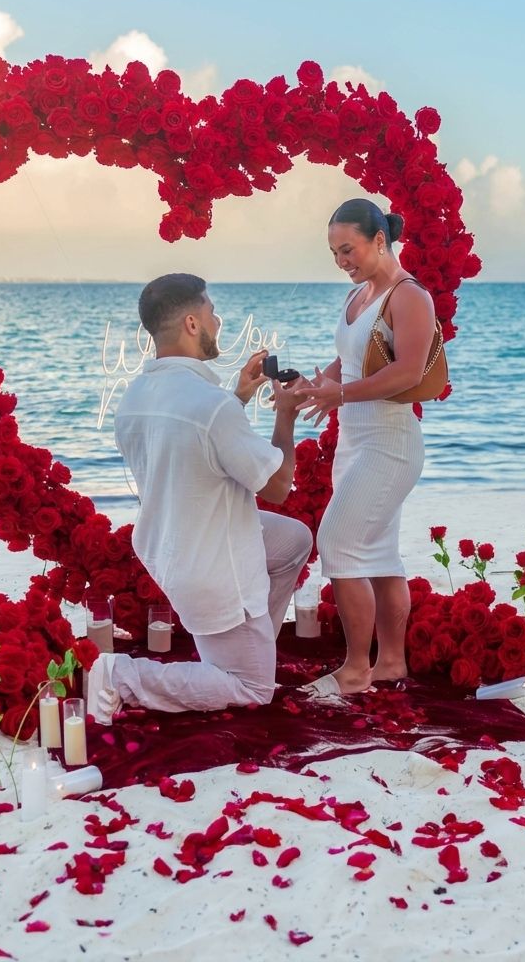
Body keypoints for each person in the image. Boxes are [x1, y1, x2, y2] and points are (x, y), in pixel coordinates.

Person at [86, 273, 313, 722]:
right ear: (192, 323)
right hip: (215, 569)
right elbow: (278, 487)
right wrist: (285, 414)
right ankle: (119, 675)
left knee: (294, 541)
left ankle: (254, 645)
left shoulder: (136, 396)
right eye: (212, 312)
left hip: (172, 547)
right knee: (251, 689)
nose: (218, 321)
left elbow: (193, 445)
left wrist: (239, 397)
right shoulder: (212, 406)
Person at [298, 199, 437, 695]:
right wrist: (315, 388)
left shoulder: (409, 295)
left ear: (380, 240)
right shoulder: (358, 295)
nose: (341, 261)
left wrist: (339, 395)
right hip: (355, 442)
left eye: (348, 249)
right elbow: (348, 360)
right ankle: (391, 663)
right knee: (378, 554)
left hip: (389, 443)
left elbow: (408, 372)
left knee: (337, 543)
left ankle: (356, 668)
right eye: (334, 253)